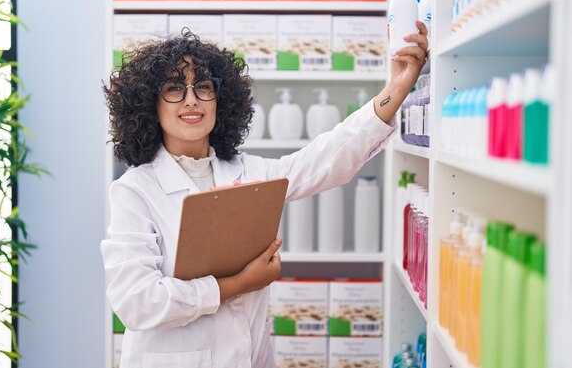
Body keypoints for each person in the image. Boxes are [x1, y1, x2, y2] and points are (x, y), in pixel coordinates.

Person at [101, 25, 428, 368]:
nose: (191, 99)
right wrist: (238, 284)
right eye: (173, 89)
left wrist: (398, 86)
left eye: (203, 86)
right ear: (148, 106)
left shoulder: (249, 174)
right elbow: (137, 302)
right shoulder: (135, 191)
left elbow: (327, 158)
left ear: (220, 100)